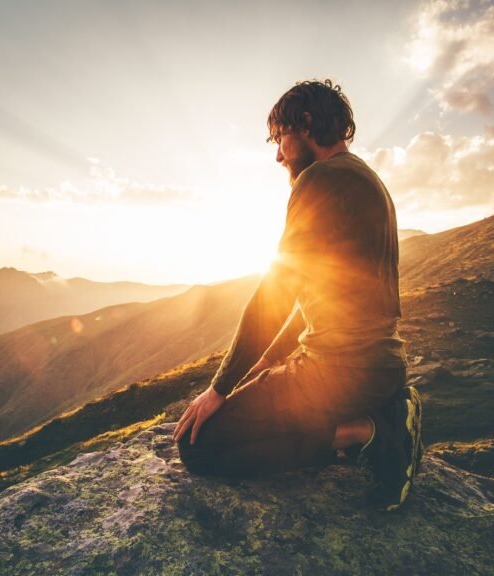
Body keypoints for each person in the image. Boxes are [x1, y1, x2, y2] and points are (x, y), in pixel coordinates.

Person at [173, 79, 423, 512]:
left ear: (304, 125)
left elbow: (279, 286)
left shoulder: (319, 179)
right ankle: (383, 415)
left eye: (278, 138)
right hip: (378, 367)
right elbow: (313, 288)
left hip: (335, 372)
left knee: (199, 448)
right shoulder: (366, 179)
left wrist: (219, 388)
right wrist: (269, 360)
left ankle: (372, 431)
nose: (276, 154)